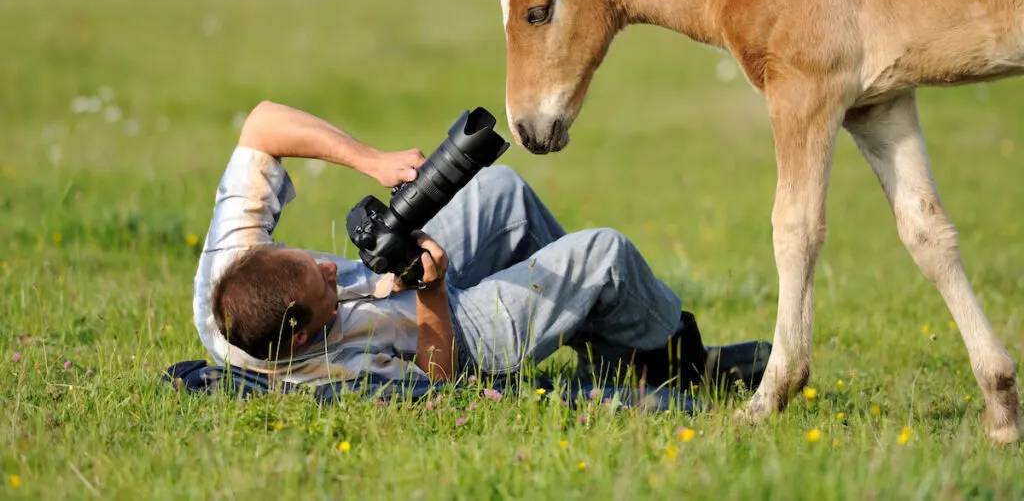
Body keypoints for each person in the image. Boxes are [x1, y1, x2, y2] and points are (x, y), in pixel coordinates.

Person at [192, 100, 770, 392]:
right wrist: (432, 292)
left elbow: (263, 123)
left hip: (399, 287)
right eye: (323, 283)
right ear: (301, 335)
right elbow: (436, 378)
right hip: (452, 334)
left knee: (501, 190)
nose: (327, 266)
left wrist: (372, 162)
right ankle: (677, 364)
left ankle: (619, 348)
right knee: (604, 254)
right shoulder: (330, 375)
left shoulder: (231, 270)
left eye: (305, 258)